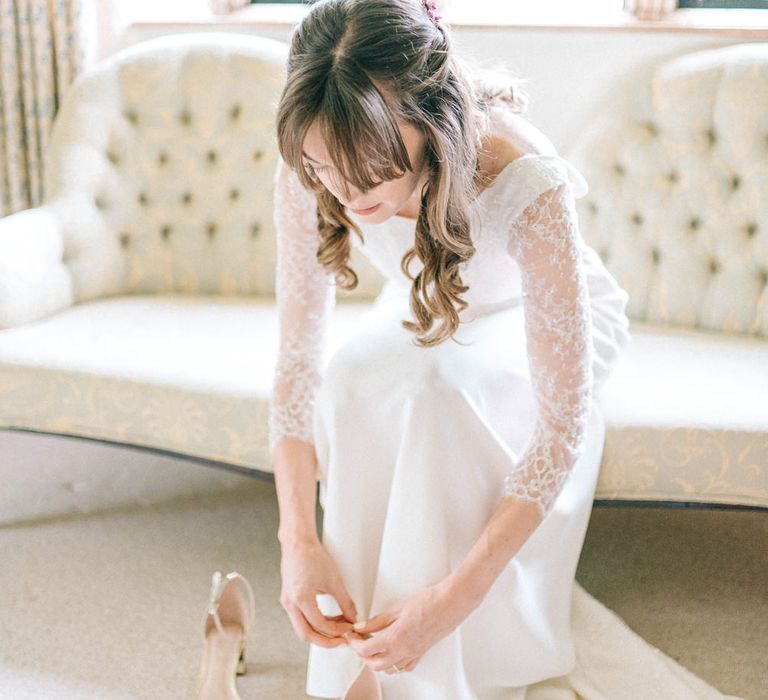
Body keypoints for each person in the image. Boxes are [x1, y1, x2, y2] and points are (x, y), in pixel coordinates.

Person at [267, 1, 744, 698]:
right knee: (347, 379)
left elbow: (560, 428)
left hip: (537, 310)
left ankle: (431, 652)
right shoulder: (316, 168)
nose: (345, 195)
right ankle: (364, 650)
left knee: (440, 398)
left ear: (431, 126)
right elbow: (297, 367)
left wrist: (455, 600)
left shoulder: (522, 173)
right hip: (427, 295)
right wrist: (297, 545)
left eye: (371, 174)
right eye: (322, 169)